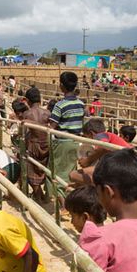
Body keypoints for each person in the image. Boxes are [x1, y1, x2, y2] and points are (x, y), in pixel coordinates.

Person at [49, 72, 85, 209]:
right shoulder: (81, 104)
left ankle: (64, 206)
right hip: (75, 141)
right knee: (71, 172)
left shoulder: (60, 105)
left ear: (61, 86)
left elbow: (52, 126)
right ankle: (71, 200)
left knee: (58, 174)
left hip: (62, 142)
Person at [21, 87, 51, 201]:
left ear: (28, 100)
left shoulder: (27, 114)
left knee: (32, 170)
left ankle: (38, 194)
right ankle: (44, 195)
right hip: (46, 145)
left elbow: (24, 132)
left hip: (34, 144)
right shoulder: (47, 113)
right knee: (45, 169)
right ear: (40, 99)